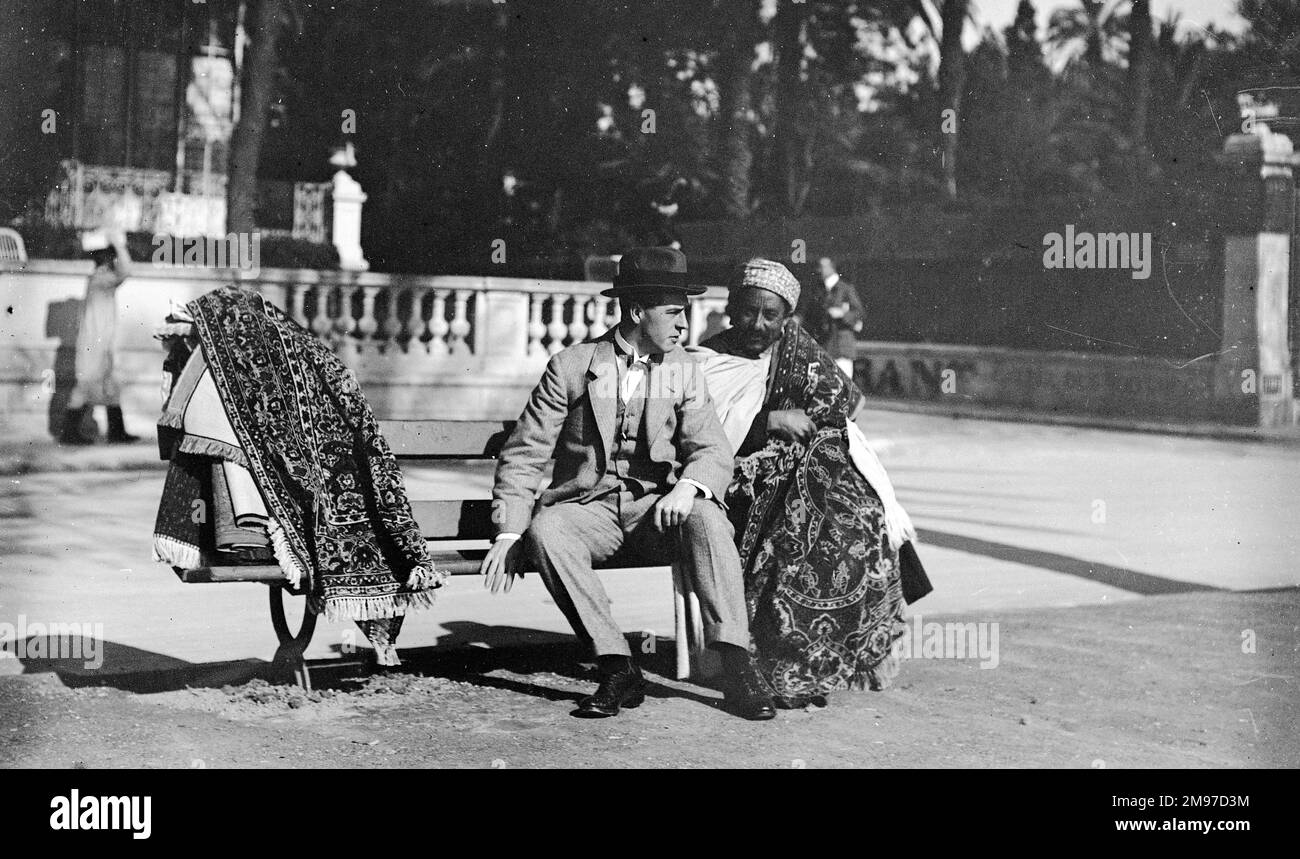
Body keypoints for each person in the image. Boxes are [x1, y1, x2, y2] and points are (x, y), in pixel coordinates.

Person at [479, 246, 775, 720]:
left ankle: (737, 664)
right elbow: (524, 453)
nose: (684, 326)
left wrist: (687, 488)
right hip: (589, 509)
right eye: (674, 313)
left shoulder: (681, 368)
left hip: (654, 512)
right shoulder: (572, 366)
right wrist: (509, 531)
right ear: (637, 311)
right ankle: (617, 666)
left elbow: (712, 450)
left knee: (706, 515)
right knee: (546, 531)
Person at [692, 258, 913, 709]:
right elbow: (696, 433)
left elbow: (846, 407)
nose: (757, 324)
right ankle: (777, 661)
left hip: (809, 471)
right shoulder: (706, 361)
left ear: (786, 317)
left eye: (770, 315)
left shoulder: (799, 351)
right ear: (732, 308)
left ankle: (840, 660)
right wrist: (769, 421)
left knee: (862, 523)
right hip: (739, 479)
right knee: (794, 533)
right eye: (748, 311)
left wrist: (812, 437)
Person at [60, 229, 138, 445]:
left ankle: (117, 432)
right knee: (85, 386)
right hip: (94, 345)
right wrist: (118, 244)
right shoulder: (102, 278)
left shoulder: (99, 278)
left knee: (110, 387)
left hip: (100, 344)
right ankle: (70, 433)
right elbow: (127, 270)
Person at [798, 256, 863, 379]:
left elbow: (859, 313)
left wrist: (842, 314)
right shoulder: (817, 290)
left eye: (822, 267)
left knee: (842, 383)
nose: (818, 270)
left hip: (841, 346)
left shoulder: (845, 289)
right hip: (823, 345)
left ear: (832, 268)